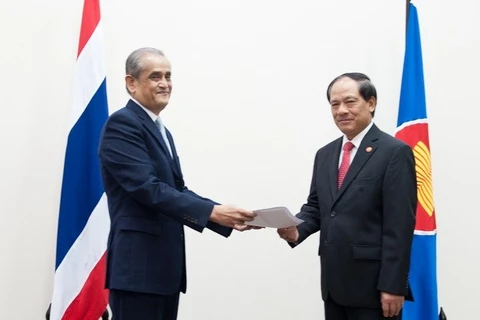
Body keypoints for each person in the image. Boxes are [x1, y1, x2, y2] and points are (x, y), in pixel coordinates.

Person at [98, 47, 257, 320]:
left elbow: (176, 190)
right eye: (155, 76)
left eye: (168, 76)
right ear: (131, 83)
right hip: (138, 272)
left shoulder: (161, 130)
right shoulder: (122, 124)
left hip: (162, 272)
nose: (164, 83)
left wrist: (221, 215)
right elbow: (148, 188)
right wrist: (212, 212)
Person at [278, 72, 416, 320]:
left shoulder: (394, 152)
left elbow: (400, 225)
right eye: (335, 104)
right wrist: (297, 229)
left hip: (374, 290)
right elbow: (317, 206)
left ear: (371, 103)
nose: (342, 110)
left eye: (350, 101)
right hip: (333, 286)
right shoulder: (325, 154)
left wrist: (393, 285)